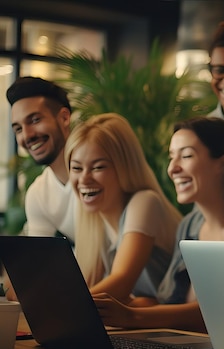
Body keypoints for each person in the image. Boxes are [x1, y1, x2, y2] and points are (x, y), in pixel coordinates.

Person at [93, 117, 224, 332]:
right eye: (172, 157)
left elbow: (223, 312)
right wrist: (119, 308)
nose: (172, 169)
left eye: (187, 155)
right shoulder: (189, 226)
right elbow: (167, 300)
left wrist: (132, 316)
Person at [64, 113, 181, 305]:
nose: (84, 179)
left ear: (124, 167)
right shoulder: (96, 219)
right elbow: (100, 290)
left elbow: (121, 283)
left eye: (98, 167)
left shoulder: (145, 201)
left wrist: (65, 306)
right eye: (76, 168)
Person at [7, 76, 75, 240]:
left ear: (64, 118)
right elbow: (40, 260)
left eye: (35, 120)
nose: (27, 135)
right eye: (18, 129)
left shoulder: (102, 175)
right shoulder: (38, 193)